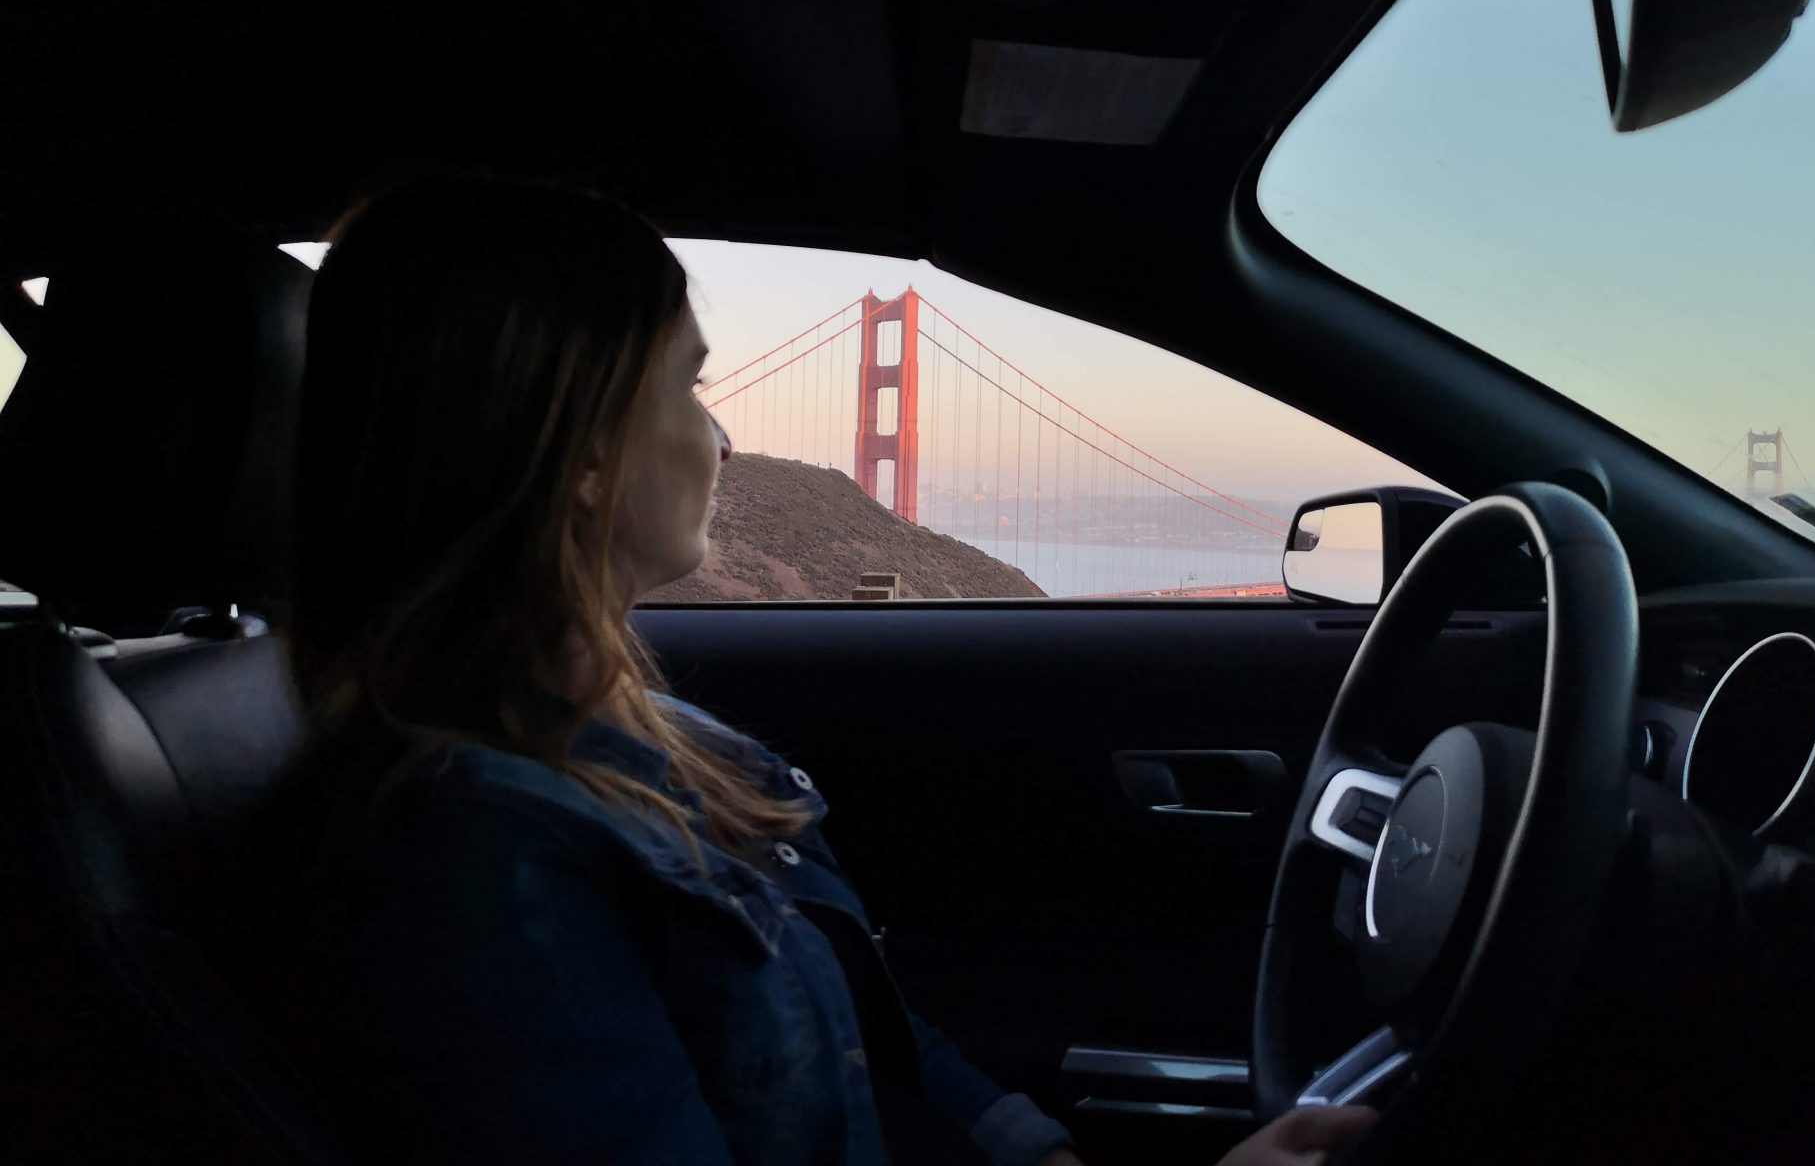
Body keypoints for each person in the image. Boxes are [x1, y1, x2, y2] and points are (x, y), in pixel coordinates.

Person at [241, 176, 1377, 1166]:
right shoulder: (480, 867)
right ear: (579, 448)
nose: (723, 439)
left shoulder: (630, 736)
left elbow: (872, 1049)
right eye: (688, 385)